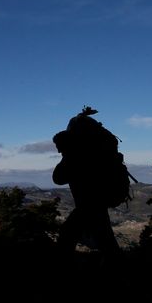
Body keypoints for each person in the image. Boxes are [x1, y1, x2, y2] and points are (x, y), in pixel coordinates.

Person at [52, 106, 120, 261]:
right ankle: (121, 271)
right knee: (105, 239)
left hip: (89, 205)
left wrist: (66, 156)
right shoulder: (92, 152)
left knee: (67, 235)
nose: (58, 151)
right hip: (97, 202)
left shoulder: (75, 156)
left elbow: (58, 178)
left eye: (59, 147)